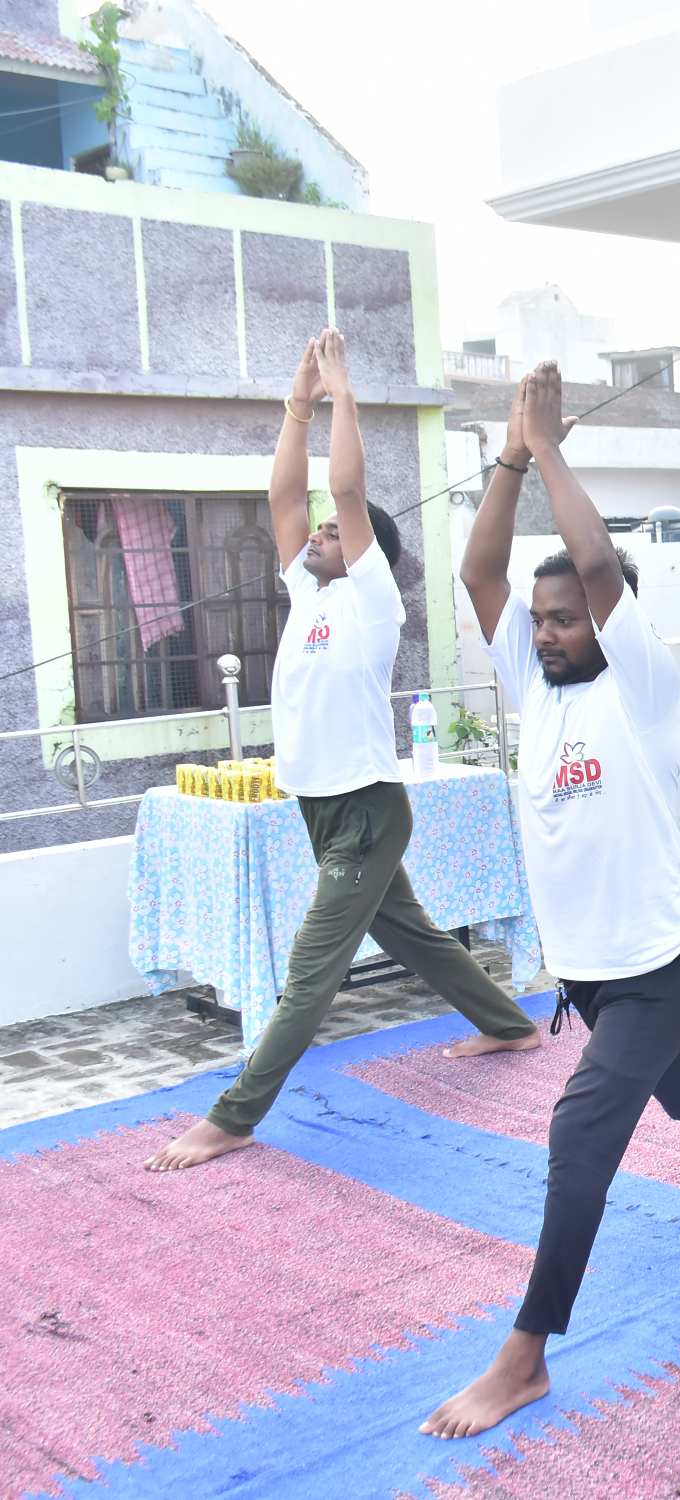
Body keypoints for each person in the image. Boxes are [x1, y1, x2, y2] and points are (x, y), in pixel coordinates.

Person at [427, 364, 680, 1440]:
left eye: (566, 619)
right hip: (593, 974)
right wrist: (510, 456)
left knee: (581, 1132)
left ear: (607, 623)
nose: (548, 633)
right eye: (541, 621)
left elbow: (598, 563)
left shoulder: (641, 686)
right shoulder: (533, 684)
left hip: (662, 964)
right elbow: (477, 571)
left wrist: (554, 447)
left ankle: (524, 1357)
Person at [146, 330, 539, 1174]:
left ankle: (235, 1116)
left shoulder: (371, 601)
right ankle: (509, 1025)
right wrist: (298, 404)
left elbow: (345, 488)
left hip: (364, 810)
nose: (318, 532)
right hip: (321, 806)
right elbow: (283, 493)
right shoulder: (309, 591)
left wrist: (344, 395)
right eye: (318, 532)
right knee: (413, 934)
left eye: (334, 532)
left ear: (368, 556)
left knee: (311, 971)